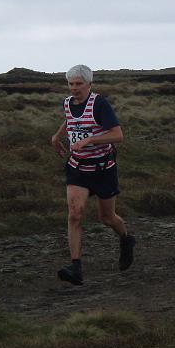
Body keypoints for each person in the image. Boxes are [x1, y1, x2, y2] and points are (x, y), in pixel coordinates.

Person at [50, 64, 135, 285]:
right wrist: (57, 136)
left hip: (103, 169)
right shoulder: (68, 103)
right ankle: (76, 267)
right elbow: (71, 119)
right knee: (75, 214)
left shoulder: (99, 104)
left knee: (107, 218)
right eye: (71, 84)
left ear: (89, 84)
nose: (74, 88)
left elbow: (118, 135)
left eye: (79, 84)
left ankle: (126, 240)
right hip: (78, 167)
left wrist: (89, 140)